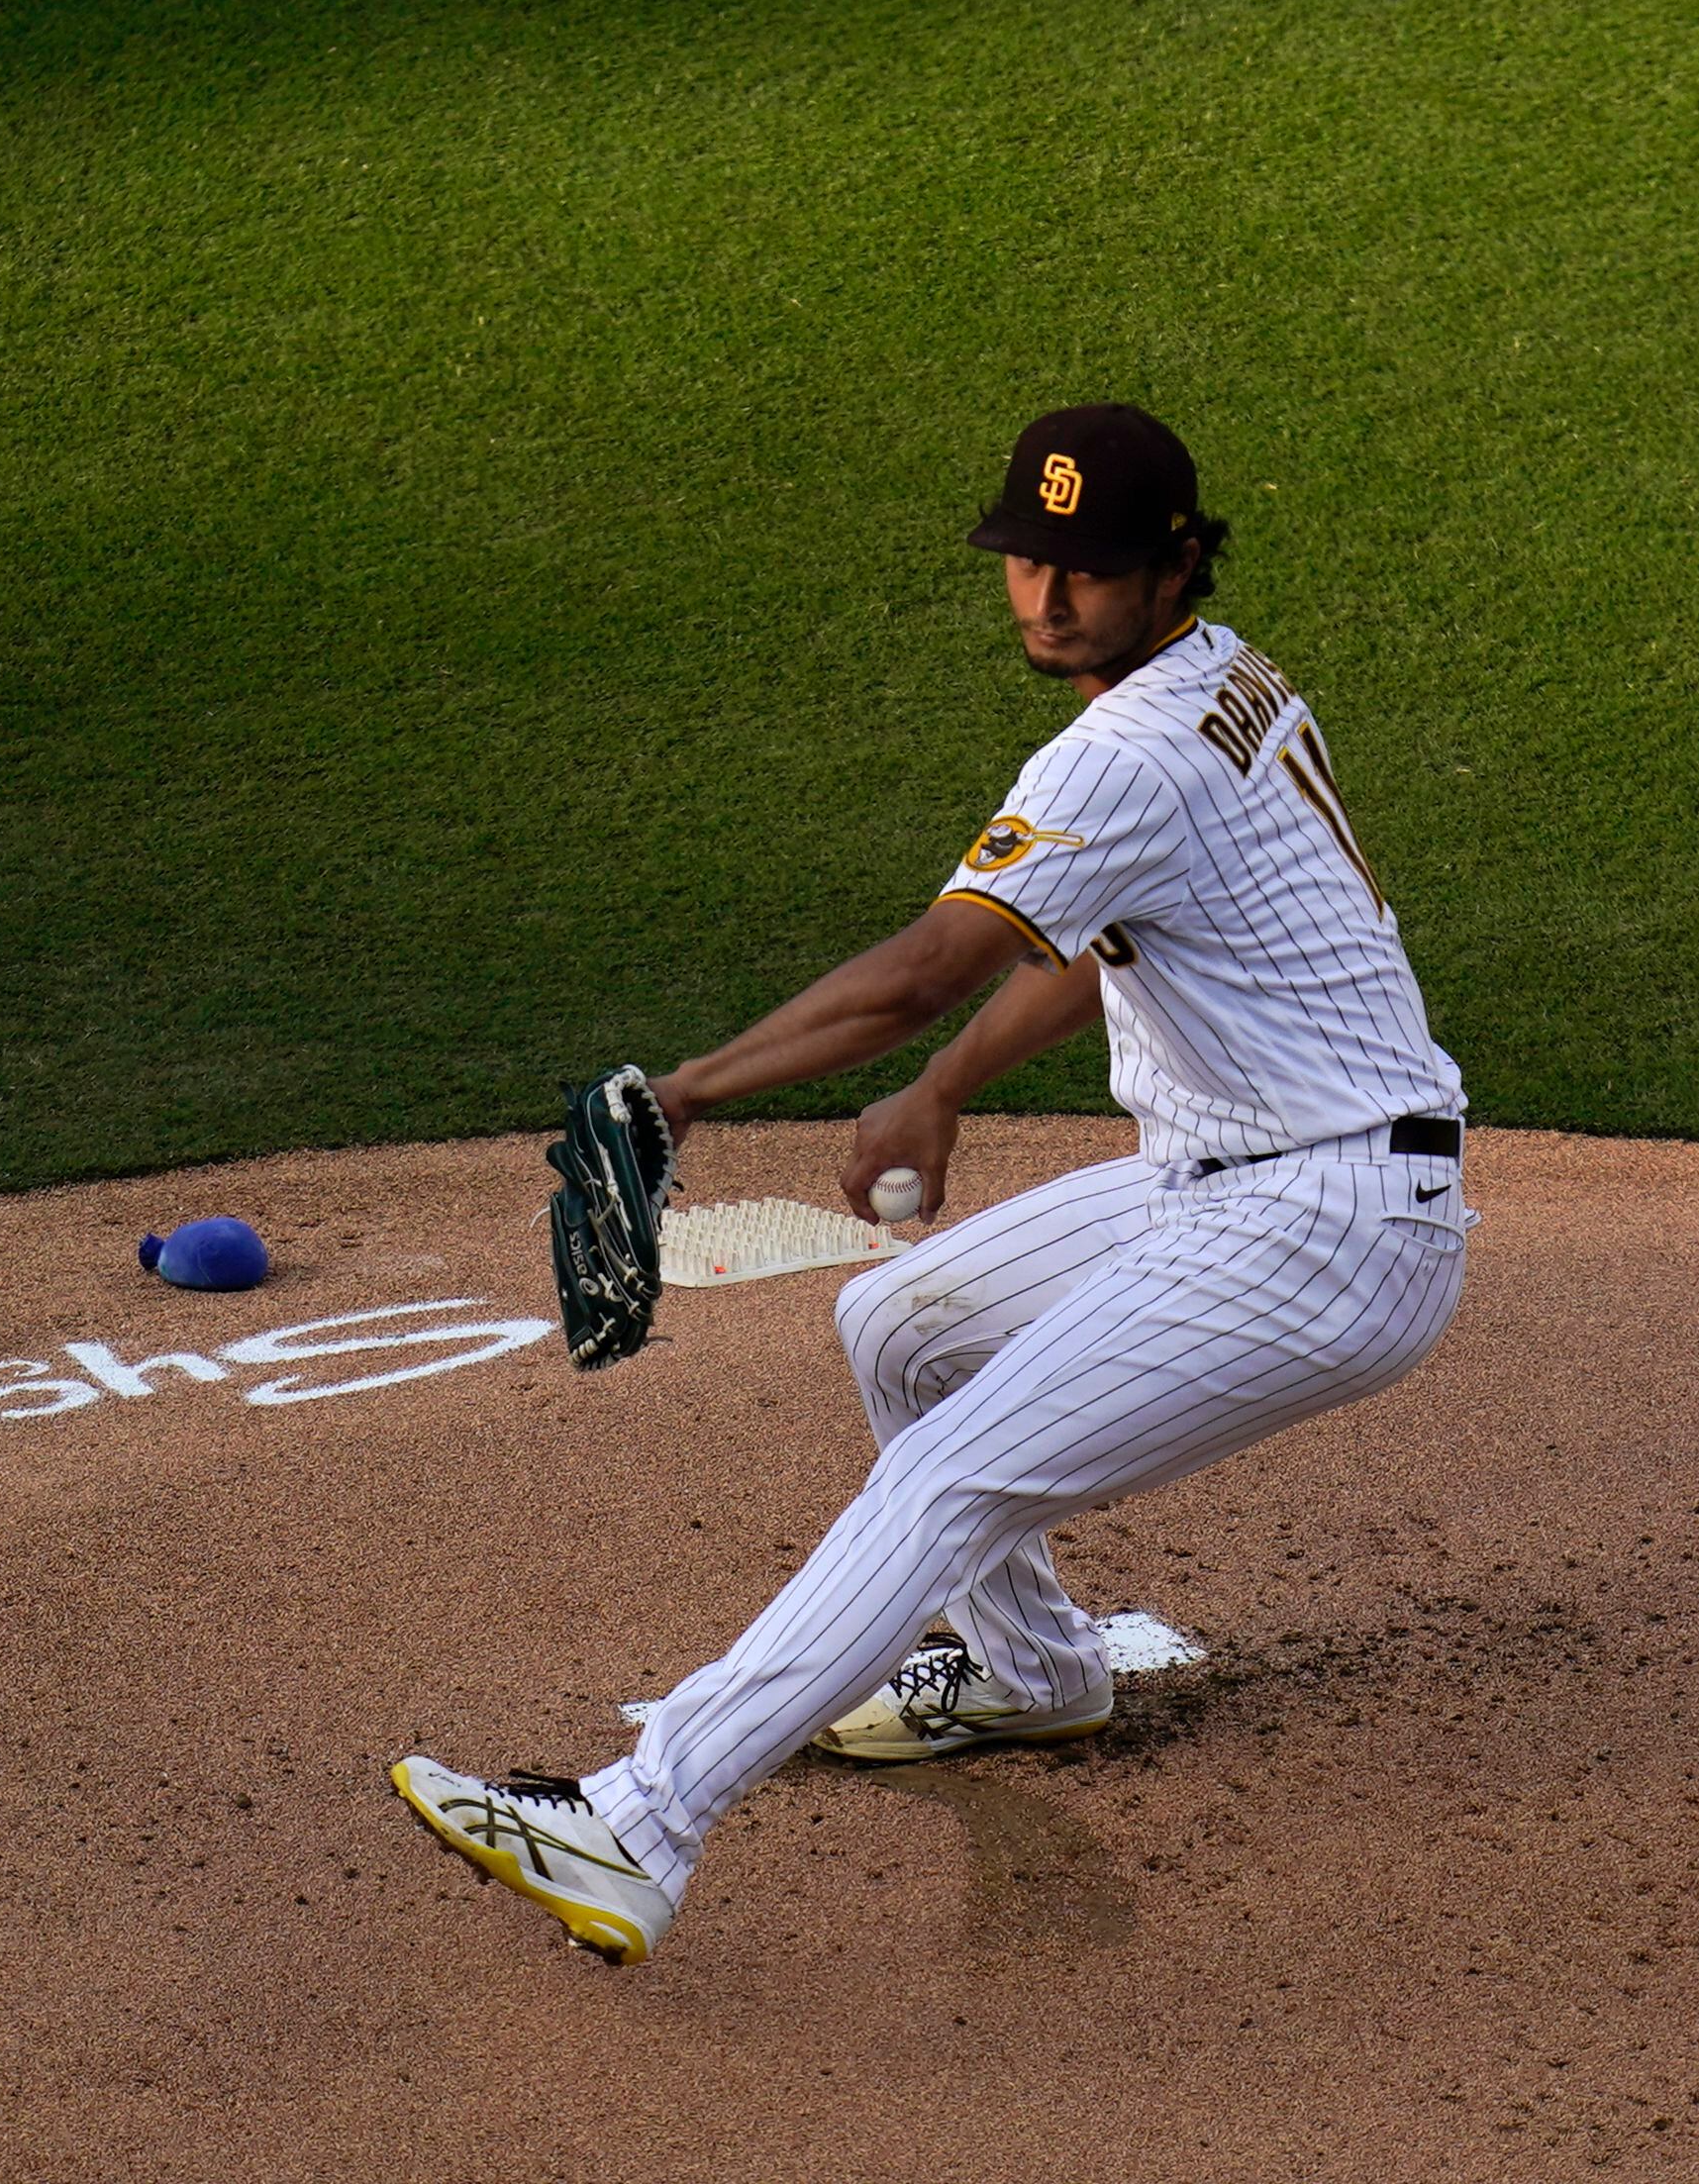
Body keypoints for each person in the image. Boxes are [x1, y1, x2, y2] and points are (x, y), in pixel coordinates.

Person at [390, 402, 1477, 1963]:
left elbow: (920, 971)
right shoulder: (1221, 672)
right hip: (1243, 1175)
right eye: (1027, 561)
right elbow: (1099, 939)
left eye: (1088, 569)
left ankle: (642, 1825)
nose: (1047, 598)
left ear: (1173, 565)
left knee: (946, 1476)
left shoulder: (1131, 752)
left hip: (1324, 1227)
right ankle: (1038, 1677)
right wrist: (948, 1090)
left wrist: (688, 1094)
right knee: (901, 1320)